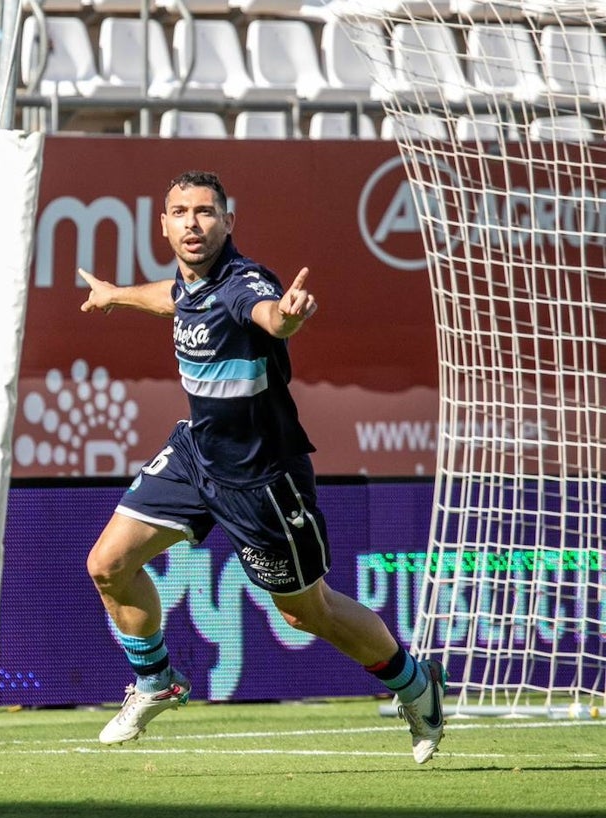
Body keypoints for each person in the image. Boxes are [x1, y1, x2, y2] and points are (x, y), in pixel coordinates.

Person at [78, 170, 446, 764]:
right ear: (164, 224)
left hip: (263, 480)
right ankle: (157, 683)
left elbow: (270, 315)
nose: (193, 223)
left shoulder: (244, 282)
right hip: (196, 454)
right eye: (180, 212)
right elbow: (172, 298)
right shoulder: (190, 283)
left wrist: (290, 318)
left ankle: (415, 685)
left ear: (229, 221)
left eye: (205, 212)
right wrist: (115, 294)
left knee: (307, 612)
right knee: (107, 565)